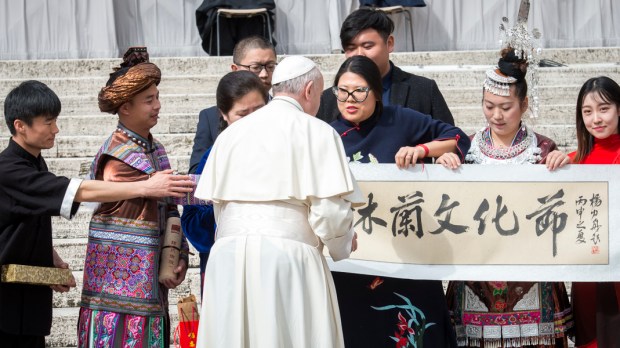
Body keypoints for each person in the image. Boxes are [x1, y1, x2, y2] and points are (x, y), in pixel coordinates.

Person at [0, 80, 193, 348]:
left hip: (29, 299)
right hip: (6, 303)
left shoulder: (34, 162)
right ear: (21, 126)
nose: (56, 129)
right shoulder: (8, 170)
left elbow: (22, 222)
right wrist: (145, 187)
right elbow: (78, 191)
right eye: (48, 122)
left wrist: (51, 259)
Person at [194, 56, 364, 348]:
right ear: (309, 90)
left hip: (228, 254)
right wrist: (343, 243)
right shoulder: (317, 131)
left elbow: (219, 206)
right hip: (288, 255)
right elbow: (329, 212)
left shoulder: (231, 133)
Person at [329, 55, 469, 347]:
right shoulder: (328, 135)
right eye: (342, 91)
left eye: (359, 91)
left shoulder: (400, 119)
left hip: (406, 255)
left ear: (377, 92)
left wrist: (423, 149)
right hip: (354, 261)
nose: (349, 99)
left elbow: (456, 137)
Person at [437, 48, 573, 347]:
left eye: (506, 107)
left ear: (524, 104)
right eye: (489, 106)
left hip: (530, 271)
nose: (496, 115)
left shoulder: (543, 149)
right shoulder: (466, 149)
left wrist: (563, 167)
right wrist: (443, 166)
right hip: (477, 270)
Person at [77, 47, 190, 347]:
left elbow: (170, 206)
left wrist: (179, 253)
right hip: (117, 295)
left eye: (157, 98)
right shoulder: (117, 155)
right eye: (149, 100)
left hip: (150, 286)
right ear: (125, 108)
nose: (157, 106)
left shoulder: (156, 149)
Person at [181, 70, 269, 295]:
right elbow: (192, 222)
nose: (253, 120)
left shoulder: (286, 148)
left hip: (273, 263)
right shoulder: (214, 157)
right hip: (228, 266)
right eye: (243, 113)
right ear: (225, 115)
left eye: (259, 110)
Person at [317, 7, 454, 126]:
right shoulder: (328, 98)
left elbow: (452, 140)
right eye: (351, 48)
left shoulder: (423, 90)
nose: (359, 54)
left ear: (389, 43)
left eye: (368, 46)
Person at [568, 76, 620, 347]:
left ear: (619, 109)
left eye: (604, 109)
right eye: (587, 112)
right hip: (589, 270)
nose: (596, 119)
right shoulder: (574, 160)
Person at [188, 35, 277, 174]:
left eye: (271, 66)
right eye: (256, 67)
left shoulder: (283, 113)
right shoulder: (210, 116)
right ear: (235, 68)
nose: (264, 74)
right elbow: (196, 172)